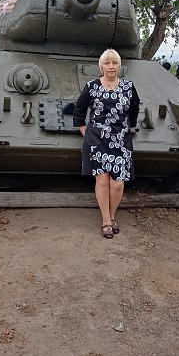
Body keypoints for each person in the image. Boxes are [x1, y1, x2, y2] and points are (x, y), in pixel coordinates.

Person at [73, 49, 140, 239]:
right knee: (102, 181)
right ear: (101, 66)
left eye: (114, 63)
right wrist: (86, 132)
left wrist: (129, 128)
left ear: (119, 66)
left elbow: (134, 109)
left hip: (120, 140)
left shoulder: (128, 87)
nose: (111, 66)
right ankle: (106, 221)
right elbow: (79, 111)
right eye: (107, 63)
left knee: (117, 183)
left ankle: (112, 215)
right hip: (97, 140)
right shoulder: (92, 87)